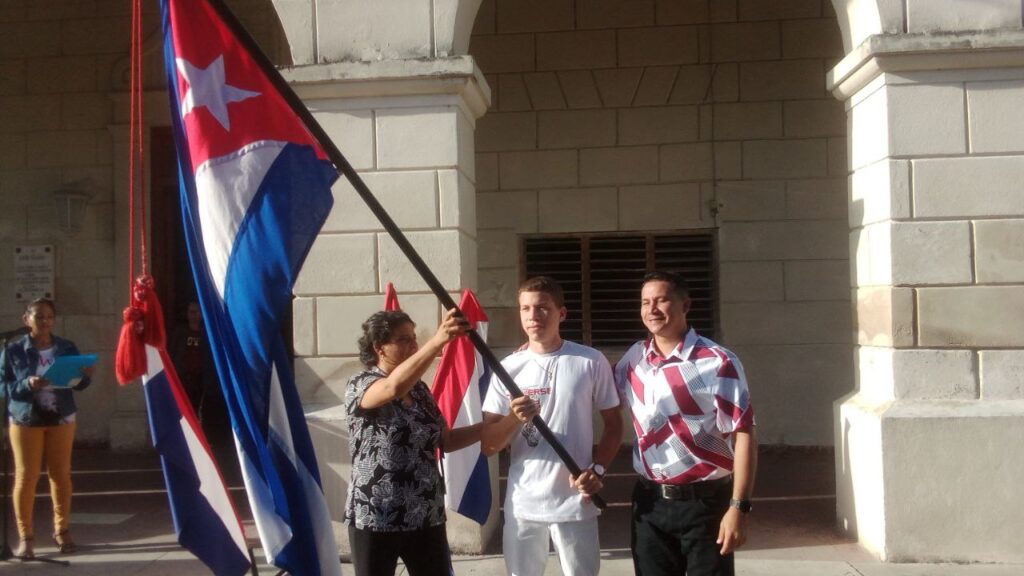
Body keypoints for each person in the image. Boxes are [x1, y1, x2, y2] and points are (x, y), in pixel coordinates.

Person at [345, 307, 523, 576]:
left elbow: (446, 439)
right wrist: (439, 340)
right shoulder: (361, 383)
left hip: (424, 511)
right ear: (379, 347)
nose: (413, 345)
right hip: (376, 514)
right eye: (404, 339)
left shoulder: (419, 390)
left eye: (414, 337)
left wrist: (496, 424)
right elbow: (392, 388)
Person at [614, 271, 757, 576]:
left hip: (706, 504)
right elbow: (595, 392)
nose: (652, 309)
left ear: (685, 304)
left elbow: (744, 435)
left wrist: (738, 507)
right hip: (649, 503)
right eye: (645, 302)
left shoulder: (718, 361)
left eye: (661, 300)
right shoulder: (633, 361)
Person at [481, 276, 623, 576]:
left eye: (543, 308)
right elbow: (489, 444)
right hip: (523, 504)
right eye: (526, 308)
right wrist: (513, 418)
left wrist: (597, 470)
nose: (533, 316)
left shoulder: (589, 361)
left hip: (576, 502)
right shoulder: (508, 369)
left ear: (562, 313)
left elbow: (613, 425)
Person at [0, 298, 93, 558]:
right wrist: (27, 384)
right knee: (26, 476)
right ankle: (25, 537)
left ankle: (62, 531)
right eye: (39, 316)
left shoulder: (65, 347)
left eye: (49, 317)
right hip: (25, 418)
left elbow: (79, 384)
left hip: (60, 416)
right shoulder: (14, 350)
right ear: (26, 319)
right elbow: (2, 387)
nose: (45, 322)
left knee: (61, 474)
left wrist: (84, 376)